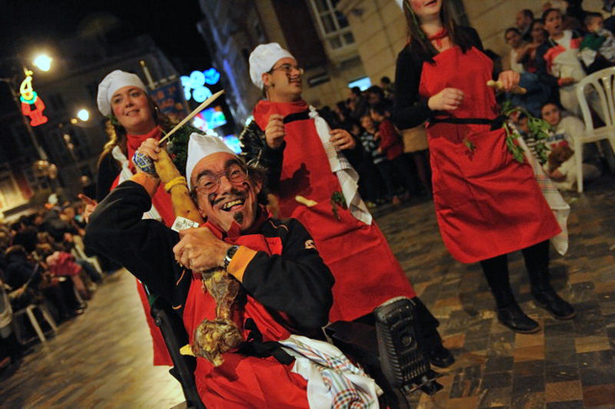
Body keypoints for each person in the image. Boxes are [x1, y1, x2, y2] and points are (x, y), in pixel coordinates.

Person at [85, 132, 380, 407]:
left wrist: (226, 255)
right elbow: (104, 228)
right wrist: (148, 176)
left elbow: (313, 307)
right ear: (198, 205)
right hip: (232, 398)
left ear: (254, 184)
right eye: (208, 183)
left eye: (235, 173)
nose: (226, 187)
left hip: (307, 379)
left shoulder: (286, 232)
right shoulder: (179, 251)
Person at [240, 42, 453, 367]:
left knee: (388, 281)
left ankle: (426, 340)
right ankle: (381, 359)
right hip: (311, 230)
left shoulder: (315, 114)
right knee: (345, 300)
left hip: (347, 216)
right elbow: (259, 184)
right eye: (287, 68)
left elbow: (354, 168)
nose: (296, 73)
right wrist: (270, 148)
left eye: (296, 67)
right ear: (266, 78)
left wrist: (351, 147)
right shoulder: (256, 129)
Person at [392, 0, 575, 334]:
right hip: (457, 152)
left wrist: (504, 77)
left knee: (532, 213)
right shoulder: (410, 56)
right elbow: (400, 117)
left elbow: (487, 84)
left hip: (496, 139)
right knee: (486, 229)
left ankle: (543, 288)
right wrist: (430, 103)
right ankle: (505, 304)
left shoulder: (468, 36)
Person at [91, 69, 180, 366]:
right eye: (118, 100)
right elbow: (109, 219)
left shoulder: (183, 136)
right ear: (114, 116)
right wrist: (96, 214)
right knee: (183, 346)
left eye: (134, 94)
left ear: (150, 100)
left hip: (198, 241)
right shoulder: (110, 162)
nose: (128, 103)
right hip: (154, 264)